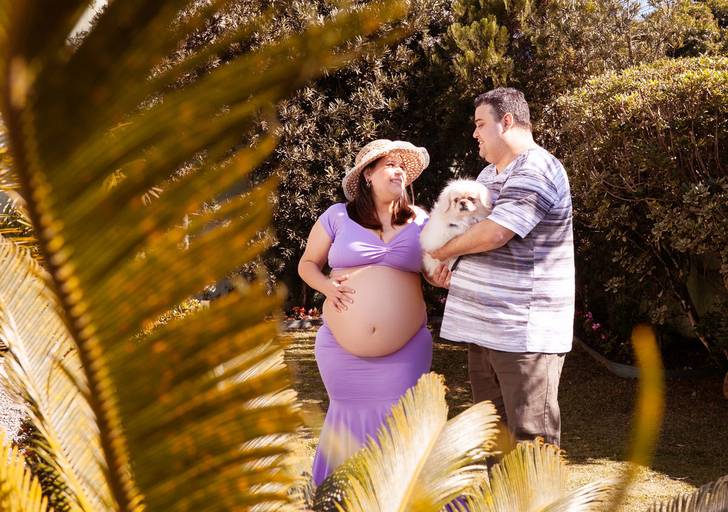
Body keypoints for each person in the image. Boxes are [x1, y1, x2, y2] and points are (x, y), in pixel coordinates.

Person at [428, 88, 574, 447]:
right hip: (485, 331)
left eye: (480, 124)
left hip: (522, 333)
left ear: (506, 121)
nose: (474, 133)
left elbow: (496, 233)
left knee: (529, 445)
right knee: (494, 441)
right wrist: (453, 269)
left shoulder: (536, 167)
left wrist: (441, 251)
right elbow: (471, 235)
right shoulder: (487, 176)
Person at [298, 139, 433, 485]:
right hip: (342, 353)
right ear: (368, 175)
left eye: (402, 166)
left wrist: (443, 277)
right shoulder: (337, 216)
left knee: (402, 426)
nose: (398, 170)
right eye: (389, 164)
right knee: (347, 426)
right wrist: (327, 287)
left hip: (406, 351)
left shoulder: (420, 220)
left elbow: (434, 270)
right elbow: (307, 264)